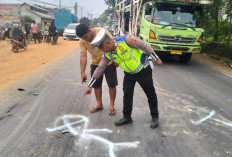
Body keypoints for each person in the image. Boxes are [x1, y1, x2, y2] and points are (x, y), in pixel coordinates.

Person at [84, 29, 162, 129]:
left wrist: (156, 58)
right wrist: (90, 85)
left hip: (143, 69)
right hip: (129, 73)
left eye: (103, 48)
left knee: (150, 94)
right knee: (127, 94)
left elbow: (144, 45)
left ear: (108, 42)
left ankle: (155, 117)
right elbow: (99, 69)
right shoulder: (107, 54)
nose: (103, 51)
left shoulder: (126, 40)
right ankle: (127, 117)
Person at [76, 24, 118, 116]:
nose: (86, 40)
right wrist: (82, 72)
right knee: (96, 85)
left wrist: (116, 60)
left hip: (109, 62)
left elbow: (114, 44)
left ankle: (112, 105)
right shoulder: (82, 40)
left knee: (112, 84)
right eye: (83, 38)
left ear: (90, 31)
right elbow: (83, 55)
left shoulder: (102, 32)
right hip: (95, 63)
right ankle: (99, 104)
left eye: (86, 37)